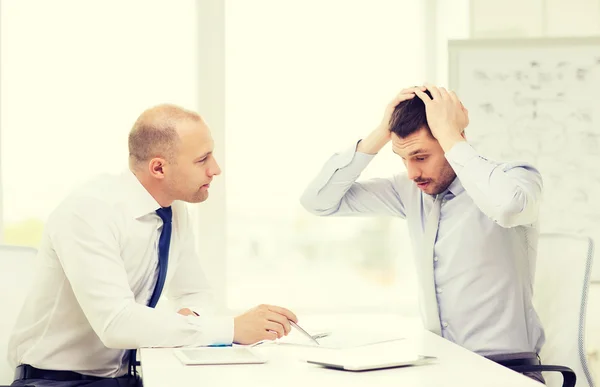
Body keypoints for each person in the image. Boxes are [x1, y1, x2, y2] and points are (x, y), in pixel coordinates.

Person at [9, 104, 297, 387]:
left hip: (125, 377)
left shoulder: (174, 211)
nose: (215, 169)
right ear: (158, 167)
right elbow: (116, 324)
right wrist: (232, 328)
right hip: (53, 381)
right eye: (202, 159)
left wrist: (192, 318)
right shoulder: (89, 211)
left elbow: (194, 292)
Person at [300, 85, 546, 383]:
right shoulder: (408, 191)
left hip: (507, 370)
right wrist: (380, 132)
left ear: (453, 140)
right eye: (403, 159)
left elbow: (508, 208)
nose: (412, 172)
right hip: (441, 368)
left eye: (420, 157)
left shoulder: (514, 179)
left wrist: (452, 135)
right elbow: (318, 202)